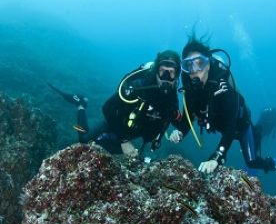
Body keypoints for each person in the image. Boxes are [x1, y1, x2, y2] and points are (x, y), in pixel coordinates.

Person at [169, 36, 276, 174]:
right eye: (189, 65)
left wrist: (218, 156)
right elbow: (189, 117)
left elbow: (231, 126)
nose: (194, 70)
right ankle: (259, 129)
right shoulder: (191, 90)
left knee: (252, 162)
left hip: (240, 126)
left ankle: (274, 163)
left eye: (199, 63)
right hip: (222, 127)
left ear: (208, 64)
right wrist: (180, 132)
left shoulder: (223, 88)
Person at [50, 50, 182, 158]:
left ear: (177, 76)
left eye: (171, 73)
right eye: (163, 71)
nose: (166, 77)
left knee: (113, 156)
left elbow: (176, 119)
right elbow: (107, 108)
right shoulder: (139, 87)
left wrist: (178, 132)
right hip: (113, 124)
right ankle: (81, 105)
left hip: (131, 135)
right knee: (84, 143)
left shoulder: (171, 99)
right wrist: (124, 141)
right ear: (156, 72)